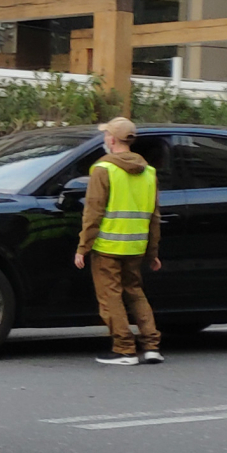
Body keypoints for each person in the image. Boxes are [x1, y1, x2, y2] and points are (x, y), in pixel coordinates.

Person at [74, 116, 163, 366]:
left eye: (106, 136)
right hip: (136, 246)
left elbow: (93, 211)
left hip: (107, 246)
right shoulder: (149, 172)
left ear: (111, 139)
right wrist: (153, 251)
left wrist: (83, 247)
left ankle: (124, 349)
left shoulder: (103, 169)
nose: (104, 139)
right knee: (135, 292)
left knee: (110, 296)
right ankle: (152, 346)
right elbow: (155, 216)